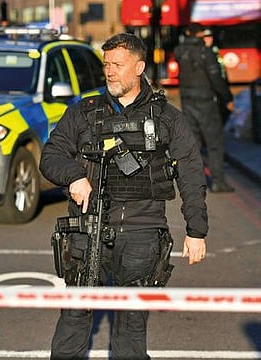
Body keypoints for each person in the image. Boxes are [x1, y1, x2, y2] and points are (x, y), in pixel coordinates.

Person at [40, 33, 208, 360]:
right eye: (106, 65)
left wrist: (196, 230)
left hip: (142, 232)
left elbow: (190, 169)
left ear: (139, 67)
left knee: (130, 327)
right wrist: (74, 176)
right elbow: (51, 156)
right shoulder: (83, 113)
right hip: (87, 229)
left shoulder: (166, 118)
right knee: (73, 318)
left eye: (118, 65)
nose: (110, 72)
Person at [174, 23, 234, 192]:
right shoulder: (205, 53)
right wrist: (227, 98)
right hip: (206, 101)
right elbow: (216, 78)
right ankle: (217, 181)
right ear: (200, 34)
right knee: (215, 142)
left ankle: (193, 183)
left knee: (194, 144)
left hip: (187, 100)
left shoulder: (180, 52)